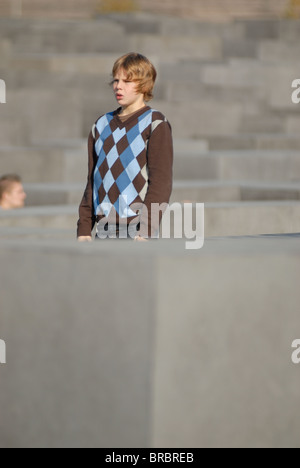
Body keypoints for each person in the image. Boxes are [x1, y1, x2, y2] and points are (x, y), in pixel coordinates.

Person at [77, 52, 173, 242]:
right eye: (115, 80)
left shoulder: (155, 123)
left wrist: (146, 229)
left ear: (144, 84)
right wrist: (84, 228)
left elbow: (161, 183)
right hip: (103, 229)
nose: (118, 86)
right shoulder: (101, 125)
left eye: (127, 81)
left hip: (136, 230)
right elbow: (92, 181)